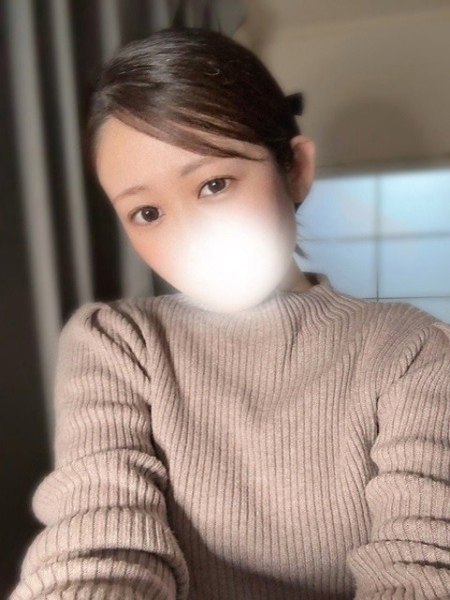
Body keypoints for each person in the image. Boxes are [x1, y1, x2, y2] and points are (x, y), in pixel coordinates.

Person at [10, 28, 450, 600]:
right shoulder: (117, 342)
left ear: (295, 169)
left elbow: (424, 565)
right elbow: (98, 542)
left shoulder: (413, 349)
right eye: (147, 212)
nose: (190, 237)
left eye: (214, 184)